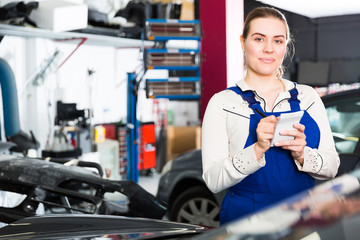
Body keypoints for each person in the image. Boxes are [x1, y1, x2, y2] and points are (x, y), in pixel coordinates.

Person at [201, 6, 340, 225]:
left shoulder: (308, 96)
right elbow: (213, 180)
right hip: (245, 222)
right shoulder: (223, 103)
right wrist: (256, 150)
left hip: (304, 219)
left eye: (277, 40)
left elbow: (332, 167)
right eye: (258, 39)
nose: (269, 49)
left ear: (285, 45)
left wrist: (302, 154)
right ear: (242, 42)